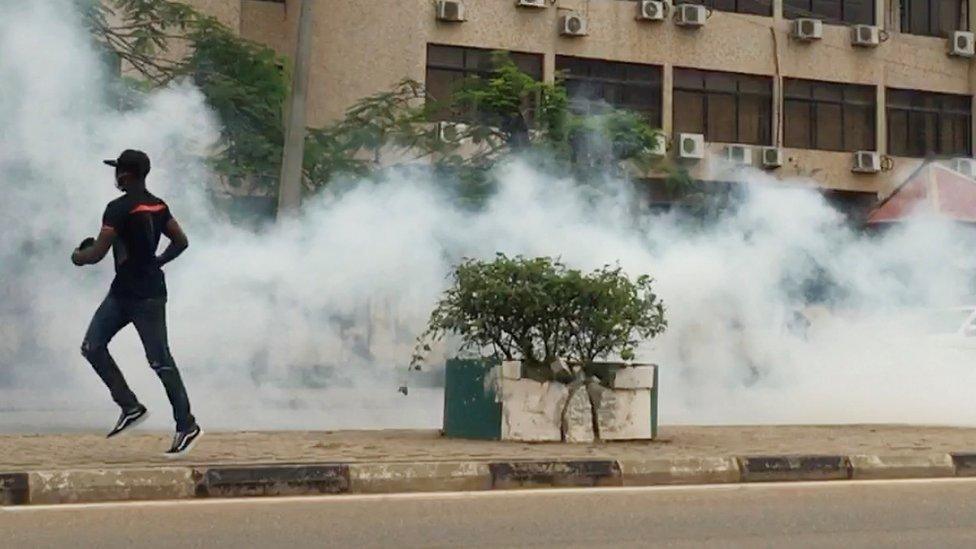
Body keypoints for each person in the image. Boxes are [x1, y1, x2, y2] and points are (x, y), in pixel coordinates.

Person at [71, 149, 202, 457]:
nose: (115, 177)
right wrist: (158, 261)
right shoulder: (158, 206)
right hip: (136, 291)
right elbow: (180, 242)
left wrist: (77, 256)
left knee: (150, 358)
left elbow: (96, 254)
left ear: (126, 175)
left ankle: (187, 424)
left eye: (118, 171)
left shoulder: (117, 208)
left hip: (139, 296)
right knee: (108, 349)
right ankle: (130, 406)